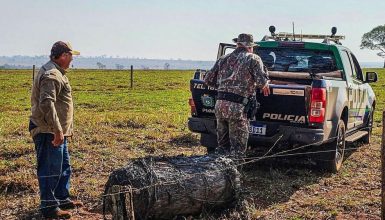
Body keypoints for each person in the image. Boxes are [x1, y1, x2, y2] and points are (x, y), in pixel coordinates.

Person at [29, 41, 83, 219]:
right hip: (48, 131)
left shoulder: (57, 72)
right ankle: (50, 208)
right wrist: (57, 130)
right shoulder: (52, 74)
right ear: (64, 56)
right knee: (50, 169)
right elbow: (46, 102)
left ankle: (61, 197)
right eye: (71, 56)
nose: (72, 60)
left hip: (57, 130)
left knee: (63, 167)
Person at [204, 33, 270, 157]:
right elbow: (262, 83)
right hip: (237, 108)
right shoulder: (253, 58)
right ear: (250, 47)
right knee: (237, 150)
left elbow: (207, 80)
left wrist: (223, 88)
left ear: (237, 44)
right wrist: (265, 82)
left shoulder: (223, 59)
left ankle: (218, 174)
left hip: (220, 106)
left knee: (222, 147)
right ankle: (234, 175)